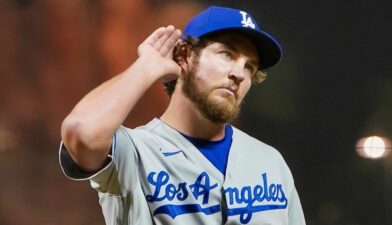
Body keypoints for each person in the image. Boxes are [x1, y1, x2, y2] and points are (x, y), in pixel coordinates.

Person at [59, 5, 306, 225]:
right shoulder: (135, 153)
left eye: (249, 67)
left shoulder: (270, 162)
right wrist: (146, 68)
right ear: (185, 55)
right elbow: (82, 131)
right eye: (227, 55)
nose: (239, 74)